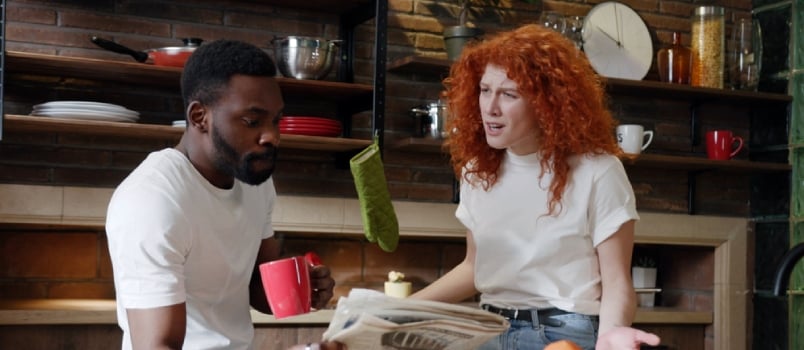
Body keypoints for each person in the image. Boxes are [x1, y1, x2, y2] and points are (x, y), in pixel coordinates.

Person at [408, 24, 661, 350]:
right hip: (489, 330)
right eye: (485, 90)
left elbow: (616, 283)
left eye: (508, 94)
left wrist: (609, 342)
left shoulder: (598, 171)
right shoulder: (478, 171)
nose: (490, 107)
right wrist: (398, 309)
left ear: (547, 104)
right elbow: (475, 268)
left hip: (561, 334)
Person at [105, 39, 337, 350]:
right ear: (200, 117)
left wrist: (306, 289)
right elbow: (157, 345)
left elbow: (257, 288)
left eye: (276, 120)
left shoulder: (254, 180)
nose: (273, 136)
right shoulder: (152, 200)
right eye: (252, 121)